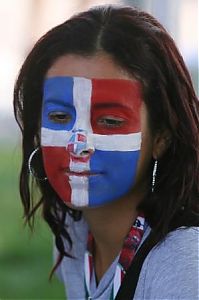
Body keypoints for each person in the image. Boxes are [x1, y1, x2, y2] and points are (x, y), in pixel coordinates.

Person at [14, 4, 199, 300]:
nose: (77, 144)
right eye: (60, 117)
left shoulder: (183, 265)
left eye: (110, 121)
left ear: (161, 137)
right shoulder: (74, 232)